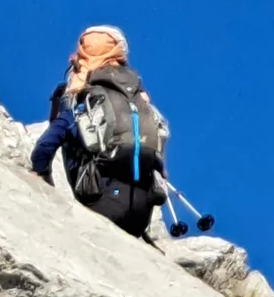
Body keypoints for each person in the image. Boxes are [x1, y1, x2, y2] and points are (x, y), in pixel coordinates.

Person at [29, 28, 169, 236]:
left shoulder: (85, 96)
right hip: (141, 213)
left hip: (99, 201)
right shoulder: (136, 97)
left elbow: (46, 146)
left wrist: (42, 176)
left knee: (71, 129)